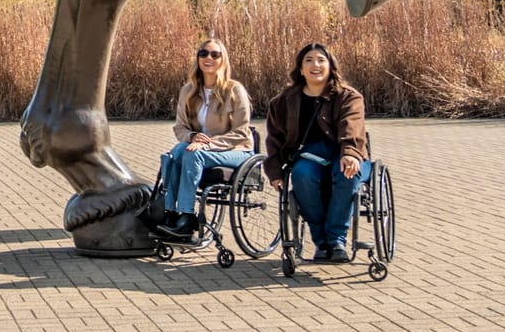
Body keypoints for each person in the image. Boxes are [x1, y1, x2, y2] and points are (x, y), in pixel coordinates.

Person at [263, 42, 370, 263]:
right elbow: (274, 138)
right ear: (300, 68)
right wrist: (274, 171)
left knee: (346, 173)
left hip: (344, 153)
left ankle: (336, 239)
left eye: (321, 60)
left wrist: (350, 152)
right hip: (308, 156)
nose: (315, 65)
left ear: (331, 66)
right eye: (309, 61)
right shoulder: (284, 101)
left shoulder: (348, 97)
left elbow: (352, 125)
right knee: (302, 175)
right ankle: (321, 241)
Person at [151, 37, 253, 243]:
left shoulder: (234, 90)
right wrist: (191, 137)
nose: (209, 58)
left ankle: (188, 217)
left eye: (215, 54)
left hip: (236, 150)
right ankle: (170, 213)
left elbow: (241, 132)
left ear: (222, 60)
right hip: (198, 148)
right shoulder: (188, 91)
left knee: (192, 154)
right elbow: (179, 127)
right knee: (174, 154)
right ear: (198, 58)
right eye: (204, 53)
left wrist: (208, 144)